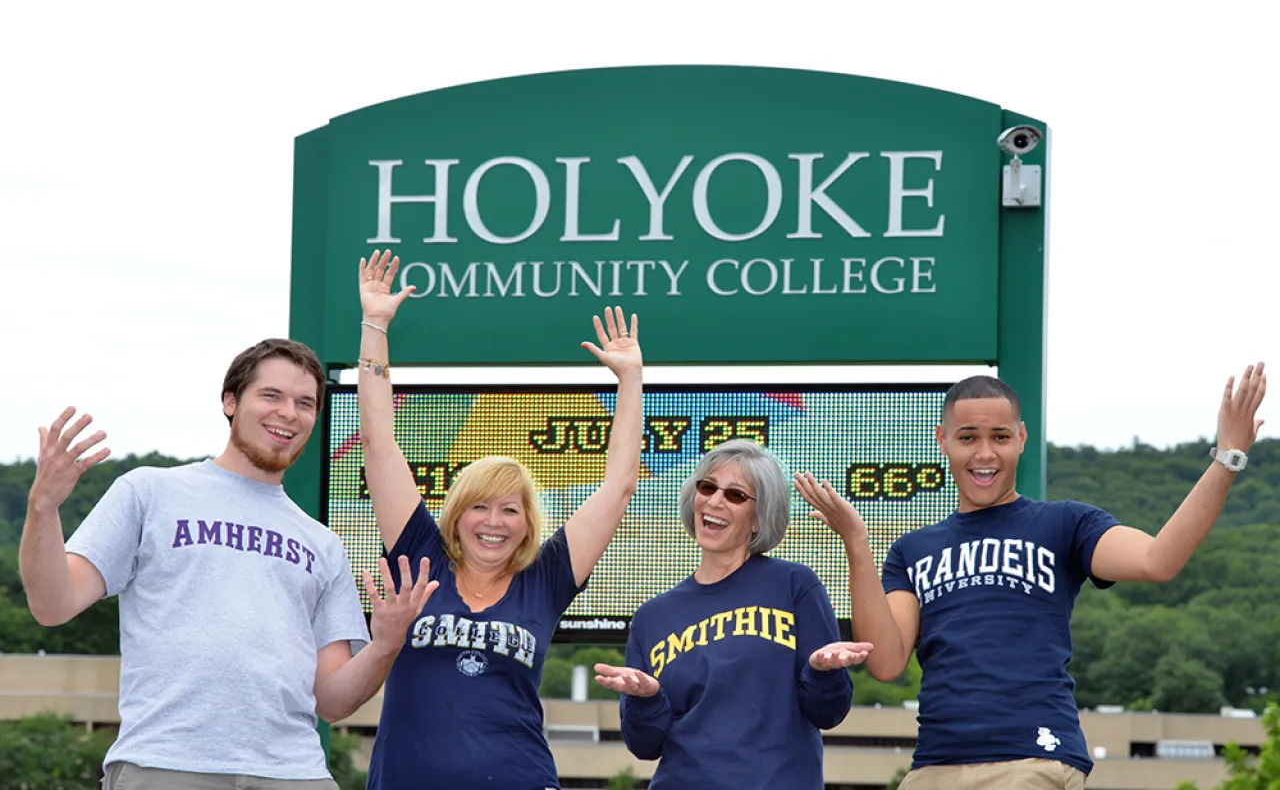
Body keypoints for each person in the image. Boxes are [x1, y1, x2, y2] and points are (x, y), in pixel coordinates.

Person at [794, 364, 1268, 790]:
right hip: (934, 765)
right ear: (942, 440)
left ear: (1021, 437)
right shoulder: (912, 550)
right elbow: (887, 663)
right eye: (968, 437)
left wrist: (1226, 458)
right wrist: (856, 541)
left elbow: (1157, 560)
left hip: (1033, 759)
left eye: (1000, 437)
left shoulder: (1064, 524)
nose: (985, 453)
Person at [19, 338, 439, 790]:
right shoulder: (149, 492)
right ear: (230, 401)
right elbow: (52, 603)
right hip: (166, 765)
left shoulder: (324, 545)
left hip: (294, 774)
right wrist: (43, 508)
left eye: (304, 403)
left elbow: (333, 701)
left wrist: (385, 645)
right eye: (271, 396)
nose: (288, 413)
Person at [354, 250, 644, 790]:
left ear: (528, 524)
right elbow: (377, 442)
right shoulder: (420, 553)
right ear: (456, 515)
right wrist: (375, 324)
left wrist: (629, 379)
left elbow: (619, 485)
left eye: (511, 509)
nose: (494, 521)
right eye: (479, 506)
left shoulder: (547, 577)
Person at [592, 438, 874, 789]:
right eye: (707, 487)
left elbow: (828, 713)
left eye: (735, 495)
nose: (714, 501)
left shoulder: (794, 585)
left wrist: (822, 673)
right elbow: (645, 745)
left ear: (759, 519)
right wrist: (647, 699)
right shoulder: (652, 617)